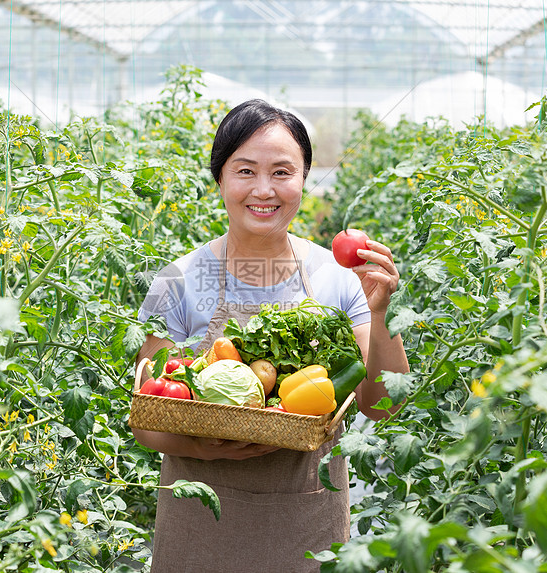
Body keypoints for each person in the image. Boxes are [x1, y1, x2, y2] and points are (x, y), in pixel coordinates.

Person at [133, 99, 409, 572]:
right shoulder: (177, 280)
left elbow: (382, 405)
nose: (264, 189)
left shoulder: (338, 277)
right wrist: (204, 446)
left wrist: (381, 313)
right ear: (219, 178)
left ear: (304, 180)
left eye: (283, 172)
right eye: (245, 171)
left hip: (306, 523)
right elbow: (148, 417)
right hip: (200, 522)